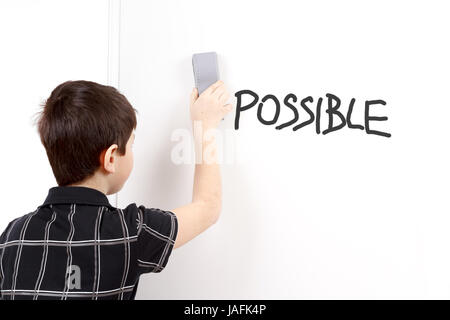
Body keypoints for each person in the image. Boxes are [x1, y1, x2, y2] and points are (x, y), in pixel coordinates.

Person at [0, 79, 233, 299]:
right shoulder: (128, 231)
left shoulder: (12, 236)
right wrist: (204, 127)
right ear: (111, 157)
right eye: (131, 144)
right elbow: (208, 207)